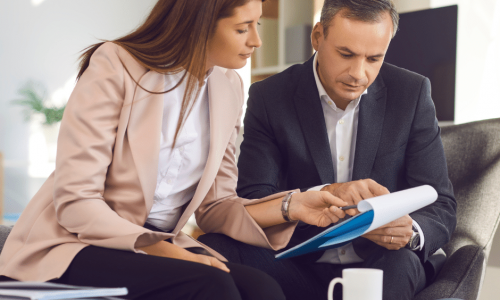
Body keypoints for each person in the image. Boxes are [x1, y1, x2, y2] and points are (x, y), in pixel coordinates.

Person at [0, 1, 353, 299]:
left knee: (263, 289)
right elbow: (77, 202)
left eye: (257, 24)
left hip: (154, 245)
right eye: (243, 28)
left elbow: (216, 207)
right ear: (200, 25)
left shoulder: (227, 87)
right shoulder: (116, 65)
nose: (257, 41)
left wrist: (293, 206)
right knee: (210, 285)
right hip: (73, 241)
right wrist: (163, 249)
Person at [198, 0, 457, 299]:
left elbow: (442, 203)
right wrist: (325, 193)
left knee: (399, 264)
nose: (358, 73)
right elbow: (254, 198)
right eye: (346, 54)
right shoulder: (269, 97)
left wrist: (411, 232)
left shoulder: (411, 94)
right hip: (299, 262)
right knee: (218, 246)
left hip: (383, 263)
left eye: (374, 58)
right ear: (317, 36)